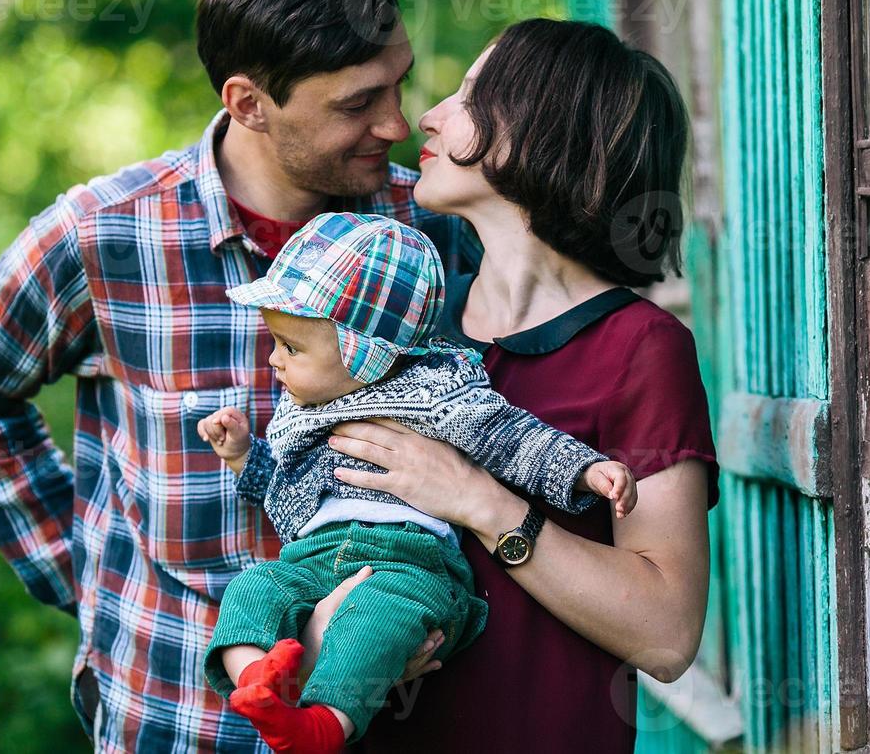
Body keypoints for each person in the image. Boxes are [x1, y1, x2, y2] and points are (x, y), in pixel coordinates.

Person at [0, 0, 476, 753]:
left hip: (399, 723)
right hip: (177, 716)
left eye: (398, 82)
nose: (397, 125)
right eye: (358, 103)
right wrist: (81, 574)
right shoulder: (105, 233)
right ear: (248, 103)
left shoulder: (433, 226)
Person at [343, 18, 721, 752]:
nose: (429, 114)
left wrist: (478, 500)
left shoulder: (642, 350)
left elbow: (668, 635)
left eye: (472, 95)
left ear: (543, 132)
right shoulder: (405, 325)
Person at [195, 211, 636, 753]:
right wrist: (244, 456)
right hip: (312, 558)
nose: (274, 360)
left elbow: (512, 439)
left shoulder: (435, 394)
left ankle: (324, 725)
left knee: (376, 621)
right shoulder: (305, 409)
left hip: (411, 562)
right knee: (251, 588)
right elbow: (286, 489)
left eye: (291, 347)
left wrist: (585, 470)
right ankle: (258, 681)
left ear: (363, 353)